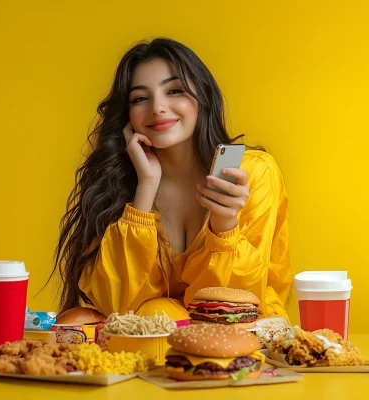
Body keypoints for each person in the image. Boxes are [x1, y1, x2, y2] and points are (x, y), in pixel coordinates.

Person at [53, 37, 293, 321]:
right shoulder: (117, 184)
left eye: (175, 90)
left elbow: (235, 309)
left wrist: (225, 226)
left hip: (244, 340)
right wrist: (146, 187)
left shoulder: (253, 173)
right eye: (141, 98)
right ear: (128, 115)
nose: (157, 107)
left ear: (202, 98)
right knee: (153, 312)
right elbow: (118, 308)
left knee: (159, 311)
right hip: (151, 343)